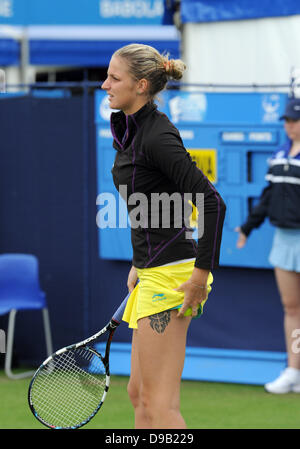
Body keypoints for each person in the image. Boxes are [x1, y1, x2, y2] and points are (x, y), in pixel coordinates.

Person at [101, 43, 226, 428]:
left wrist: (199, 278)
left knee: (160, 405)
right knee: (139, 395)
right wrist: (140, 263)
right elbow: (157, 201)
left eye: (114, 78)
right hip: (153, 271)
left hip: (173, 278)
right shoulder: (129, 128)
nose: (105, 84)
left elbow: (211, 203)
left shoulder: (157, 135)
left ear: (141, 85)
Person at [235, 97, 300, 394]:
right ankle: (294, 370)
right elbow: (268, 196)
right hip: (284, 240)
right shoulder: (278, 155)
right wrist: (248, 227)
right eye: (287, 120)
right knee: (291, 307)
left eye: (294, 120)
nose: (289, 125)